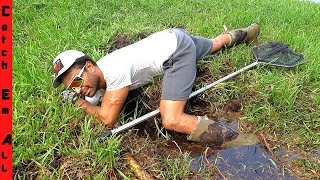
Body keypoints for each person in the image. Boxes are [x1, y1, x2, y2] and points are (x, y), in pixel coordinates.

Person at [52, 23, 260, 146]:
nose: (78, 89)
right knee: (213, 44)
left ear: (89, 66)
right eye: (72, 88)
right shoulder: (100, 72)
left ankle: (241, 140)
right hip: (170, 37)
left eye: (77, 81)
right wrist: (85, 98)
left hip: (176, 53)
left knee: (171, 119)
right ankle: (248, 32)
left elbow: (107, 119)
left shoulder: (114, 72)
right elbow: (94, 97)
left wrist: (80, 104)